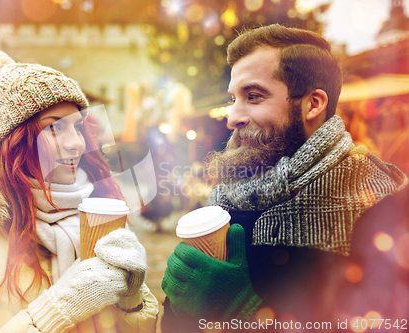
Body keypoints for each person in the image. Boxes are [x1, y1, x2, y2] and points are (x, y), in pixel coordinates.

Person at [161, 24, 408, 332]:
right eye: (233, 99)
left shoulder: (378, 202)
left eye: (253, 96)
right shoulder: (224, 198)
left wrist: (247, 314)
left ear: (313, 104)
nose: (232, 117)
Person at [0, 50, 159, 333]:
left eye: (77, 127)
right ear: (14, 142)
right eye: (54, 128)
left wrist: (132, 301)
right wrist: (59, 309)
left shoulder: (97, 220)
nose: (76, 142)